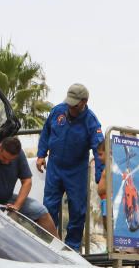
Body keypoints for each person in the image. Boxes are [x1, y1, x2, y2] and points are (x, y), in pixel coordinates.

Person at [36, 83, 105, 249]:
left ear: (84, 102)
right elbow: (46, 132)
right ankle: (50, 243)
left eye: (74, 104)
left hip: (76, 170)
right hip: (55, 166)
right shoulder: (57, 111)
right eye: (69, 103)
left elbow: (99, 149)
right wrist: (41, 154)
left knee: (77, 209)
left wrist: (99, 176)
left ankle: (72, 247)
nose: (70, 107)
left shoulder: (92, 121)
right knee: (49, 205)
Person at [0, 136, 58, 236]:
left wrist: (17, 205)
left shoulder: (19, 154)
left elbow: (27, 181)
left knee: (40, 211)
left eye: (11, 160)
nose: (7, 162)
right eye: (4, 158)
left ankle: (61, 250)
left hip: (6, 200)